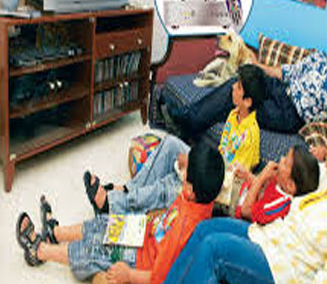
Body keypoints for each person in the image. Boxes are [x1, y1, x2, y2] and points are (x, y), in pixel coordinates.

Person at [163, 112, 327, 284]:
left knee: (213, 249)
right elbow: (289, 177)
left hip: (283, 271)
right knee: (204, 230)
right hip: (268, 237)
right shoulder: (324, 175)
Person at [15, 140, 225, 284]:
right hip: (145, 233)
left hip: (139, 260)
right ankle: (55, 233)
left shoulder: (184, 230)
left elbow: (159, 278)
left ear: (190, 189)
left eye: (186, 171)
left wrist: (129, 275)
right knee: (103, 224)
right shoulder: (197, 198)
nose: (182, 170)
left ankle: (39, 251)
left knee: (93, 250)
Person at [83, 64, 267, 216]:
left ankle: (111, 205)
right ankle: (127, 189)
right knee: (171, 143)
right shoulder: (234, 114)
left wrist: (193, 167)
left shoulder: (250, 135)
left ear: (248, 101)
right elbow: (219, 156)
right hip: (212, 167)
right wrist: (194, 161)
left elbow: (227, 180)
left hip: (217, 188)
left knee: (171, 184)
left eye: (238, 86)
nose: (233, 87)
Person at [176, 21, 327, 136]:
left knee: (239, 95)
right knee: (243, 78)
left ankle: (187, 121)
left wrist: (324, 148)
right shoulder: (318, 57)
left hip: (291, 113)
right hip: (279, 88)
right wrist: (257, 66)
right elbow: (286, 72)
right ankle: (191, 119)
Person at [235, 144, 319, 223]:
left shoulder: (279, 206)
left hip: (236, 209)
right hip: (241, 190)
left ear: (290, 186)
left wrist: (262, 176)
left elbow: (245, 211)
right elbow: (261, 187)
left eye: (285, 163)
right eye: (285, 156)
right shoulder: (281, 181)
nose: (281, 159)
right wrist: (248, 175)